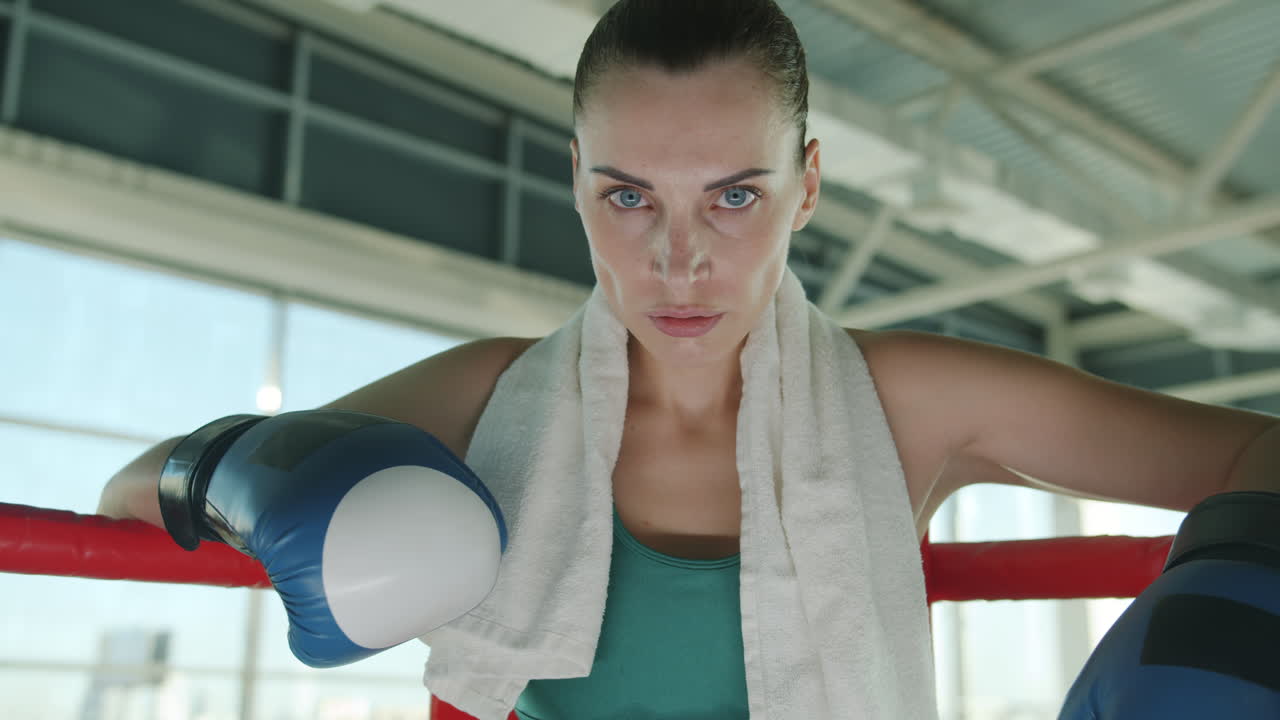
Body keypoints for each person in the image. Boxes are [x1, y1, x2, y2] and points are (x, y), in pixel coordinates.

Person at [97, 0, 1280, 717]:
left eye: (731, 195)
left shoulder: (912, 400)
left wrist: (1214, 638)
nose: (675, 259)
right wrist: (251, 477)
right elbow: (128, 497)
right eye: (626, 194)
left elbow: (1252, 451)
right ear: (575, 178)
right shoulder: (485, 395)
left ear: (805, 186)